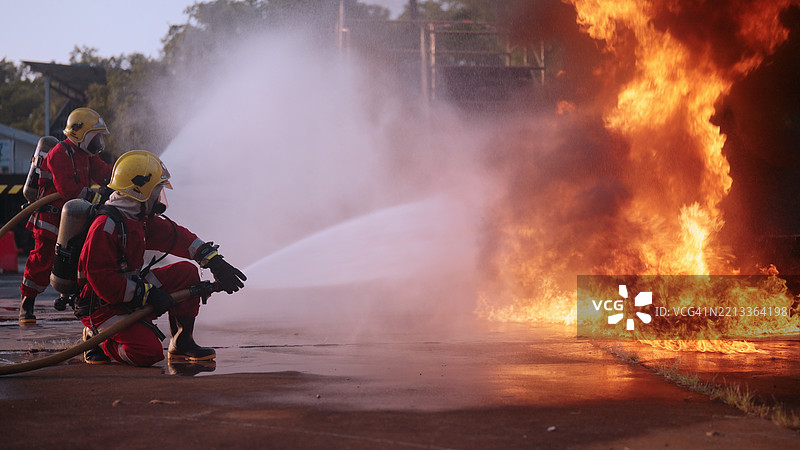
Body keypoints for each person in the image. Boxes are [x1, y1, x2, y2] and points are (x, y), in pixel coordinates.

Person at [75, 150, 246, 366]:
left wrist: (213, 261)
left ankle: (183, 342)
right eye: (156, 192)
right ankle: (99, 342)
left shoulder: (139, 220)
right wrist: (147, 295)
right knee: (148, 353)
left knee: (186, 272)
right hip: (101, 305)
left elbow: (178, 237)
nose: (159, 199)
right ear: (140, 192)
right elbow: (102, 281)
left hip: (130, 293)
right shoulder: (105, 227)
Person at [19, 107, 113, 324]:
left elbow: (105, 173)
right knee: (42, 261)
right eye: (95, 136)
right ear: (80, 134)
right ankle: (27, 304)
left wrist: (122, 178)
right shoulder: (59, 153)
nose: (98, 142)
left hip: (75, 218)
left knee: (82, 259)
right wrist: (98, 197)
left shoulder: (87, 156)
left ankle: (76, 300)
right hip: (50, 220)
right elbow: (68, 190)